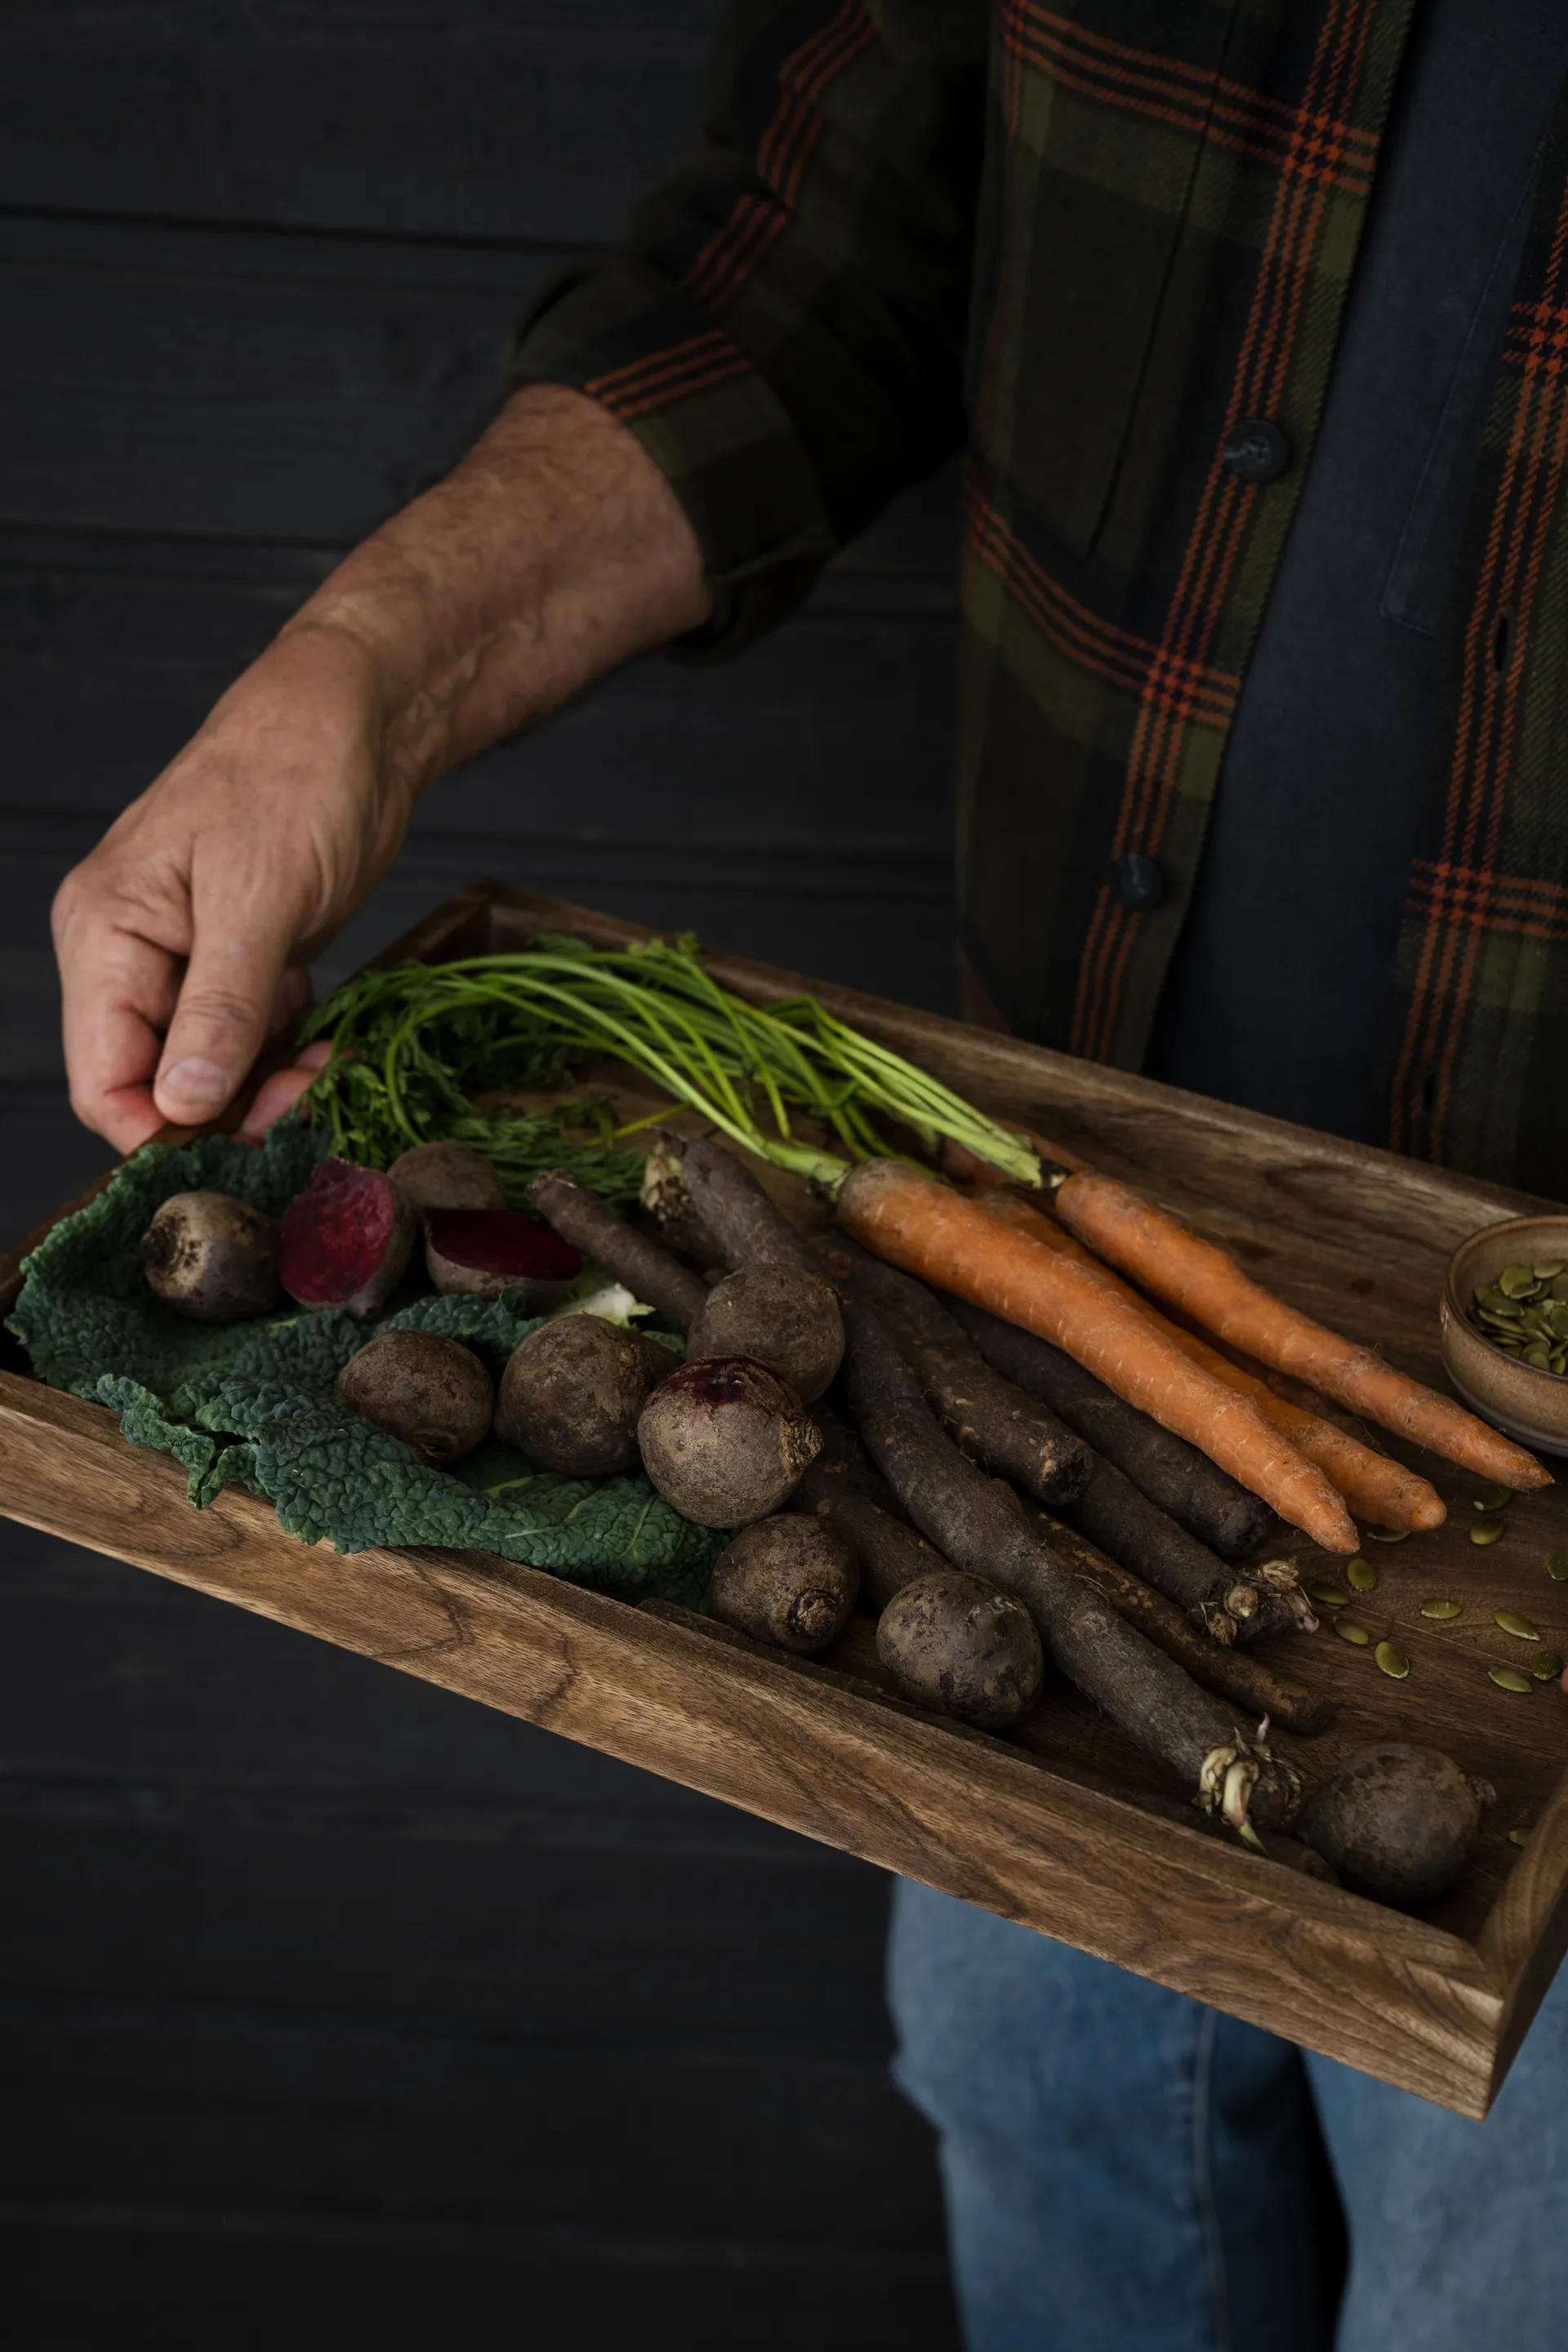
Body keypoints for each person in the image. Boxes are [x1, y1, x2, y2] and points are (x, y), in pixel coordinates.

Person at [51, 2, 1568, 2345]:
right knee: (1046, 2145)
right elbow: (798, 275)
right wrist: (353, 672)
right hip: (1051, 1162)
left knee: (1492, 2286)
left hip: (1514, 1518)